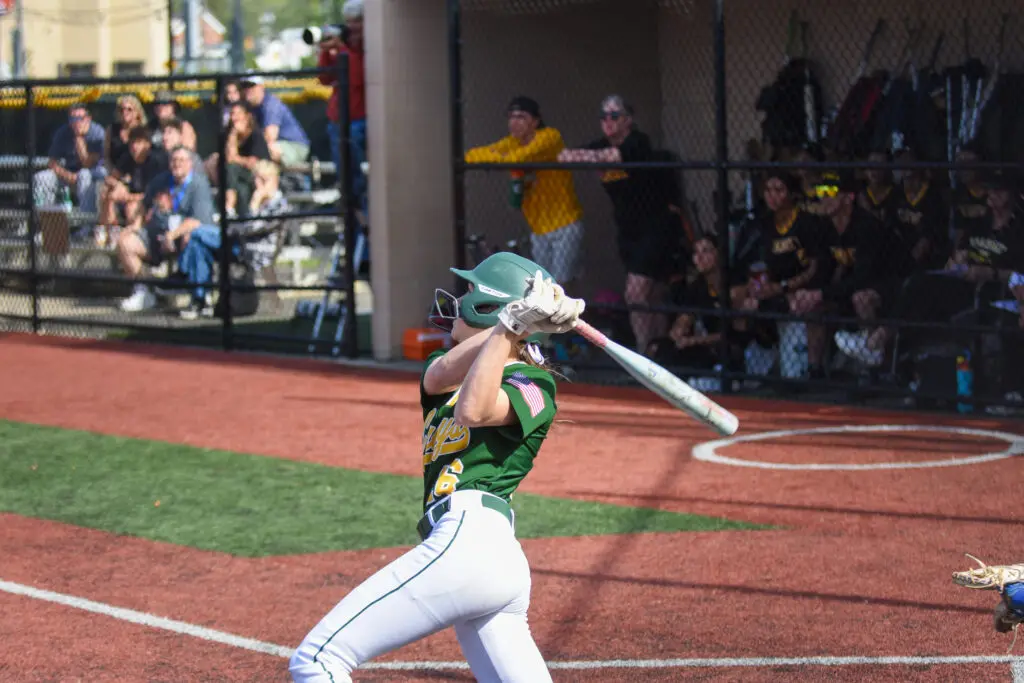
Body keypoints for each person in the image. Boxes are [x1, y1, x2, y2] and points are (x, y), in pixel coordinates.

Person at [289, 251, 585, 683]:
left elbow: (474, 411)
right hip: (482, 557)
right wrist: (514, 327)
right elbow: (442, 374)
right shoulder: (444, 373)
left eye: (469, 292)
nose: (457, 300)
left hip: (473, 540)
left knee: (316, 661)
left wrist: (514, 329)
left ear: (489, 308)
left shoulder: (534, 383)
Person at [558, 95, 683, 354]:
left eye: (615, 116)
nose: (608, 122)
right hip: (628, 231)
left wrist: (594, 156)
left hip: (656, 226)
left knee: (636, 294)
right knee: (651, 295)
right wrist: (594, 155)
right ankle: (659, 352)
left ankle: (642, 354)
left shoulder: (639, 141)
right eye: (604, 116)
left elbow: (617, 156)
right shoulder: (602, 145)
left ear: (628, 119)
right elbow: (565, 156)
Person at [465, 96, 584, 288]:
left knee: (561, 287)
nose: (514, 122)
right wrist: (502, 156)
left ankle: (571, 318)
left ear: (535, 121)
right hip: (538, 228)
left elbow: (518, 158)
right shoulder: (512, 142)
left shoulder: (549, 136)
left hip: (565, 224)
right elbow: (471, 156)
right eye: (511, 117)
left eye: (521, 117)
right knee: (542, 287)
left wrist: (499, 158)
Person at [175, 160, 288, 319]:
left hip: (253, 251)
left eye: (263, 180)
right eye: (256, 179)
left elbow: (250, 228)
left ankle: (188, 280)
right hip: (240, 244)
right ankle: (201, 299)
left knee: (196, 232)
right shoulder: (263, 202)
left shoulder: (279, 205)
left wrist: (253, 204)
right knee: (197, 244)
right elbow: (240, 227)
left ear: (274, 180)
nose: (258, 184)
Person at [116, 146, 215, 312]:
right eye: (174, 160)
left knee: (192, 237)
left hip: (182, 236)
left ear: (190, 163)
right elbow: (143, 205)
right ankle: (145, 291)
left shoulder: (199, 184)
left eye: (181, 160)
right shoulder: (161, 181)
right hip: (157, 235)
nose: (177, 164)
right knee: (125, 242)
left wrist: (172, 235)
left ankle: (197, 295)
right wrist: (135, 225)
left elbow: (197, 221)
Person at [318, 0, 367, 216]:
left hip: (358, 119)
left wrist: (343, 48)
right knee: (344, 174)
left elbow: (356, 78)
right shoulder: (345, 47)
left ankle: (356, 201)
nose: (352, 27)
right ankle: (349, 201)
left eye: (357, 21)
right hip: (338, 119)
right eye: (348, 22)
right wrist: (327, 51)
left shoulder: (364, 48)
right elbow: (325, 78)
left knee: (354, 175)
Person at [33, 103, 106, 219]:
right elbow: (52, 162)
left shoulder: (97, 133)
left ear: (88, 118)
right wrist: (67, 175)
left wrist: (79, 139)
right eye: (72, 118)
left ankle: (85, 224)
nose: (76, 122)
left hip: (92, 174)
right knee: (41, 177)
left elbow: (88, 163)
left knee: (84, 175)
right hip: (67, 173)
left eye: (80, 118)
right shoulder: (62, 132)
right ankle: (45, 222)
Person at [240, 75, 311, 168]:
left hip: (295, 146)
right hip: (276, 146)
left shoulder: (271, 104)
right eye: (244, 86)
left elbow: (270, 137)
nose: (247, 89)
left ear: (261, 86)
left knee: (266, 149)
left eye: (251, 85)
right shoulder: (248, 107)